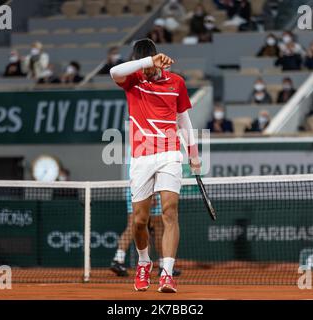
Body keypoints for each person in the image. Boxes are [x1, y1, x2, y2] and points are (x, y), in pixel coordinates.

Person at [109, 38, 201, 293]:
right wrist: (147, 62)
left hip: (170, 154)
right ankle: (143, 263)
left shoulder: (177, 83)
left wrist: (193, 153)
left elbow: (184, 120)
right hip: (141, 157)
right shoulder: (132, 79)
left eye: (149, 65)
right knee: (139, 221)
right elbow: (114, 71)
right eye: (143, 65)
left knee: (170, 212)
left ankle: (167, 273)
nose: (146, 71)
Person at [110, 149, 182, 278]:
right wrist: (153, 194)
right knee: (155, 227)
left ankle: (119, 259)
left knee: (135, 225)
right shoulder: (150, 147)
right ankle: (161, 264)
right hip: (148, 188)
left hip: (136, 187)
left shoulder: (137, 146)